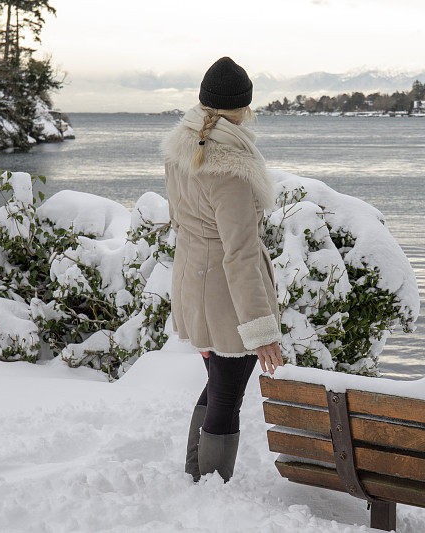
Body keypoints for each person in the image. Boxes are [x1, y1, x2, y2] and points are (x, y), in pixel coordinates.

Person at [162, 56, 283, 483]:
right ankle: (210, 484)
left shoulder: (183, 148)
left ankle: (196, 472)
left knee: (218, 383)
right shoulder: (230, 169)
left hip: (192, 287)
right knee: (228, 392)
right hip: (225, 300)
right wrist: (261, 329)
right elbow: (241, 254)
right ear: (244, 108)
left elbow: (183, 222)